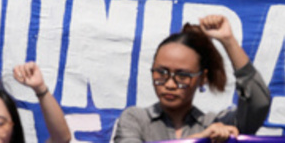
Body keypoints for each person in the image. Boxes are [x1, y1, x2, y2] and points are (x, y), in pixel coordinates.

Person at [110, 17, 272, 142]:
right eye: (161, 73)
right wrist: (200, 139)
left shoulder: (216, 124)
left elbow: (259, 103)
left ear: (202, 79)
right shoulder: (135, 119)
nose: (170, 84)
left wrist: (228, 41)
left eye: (182, 76)